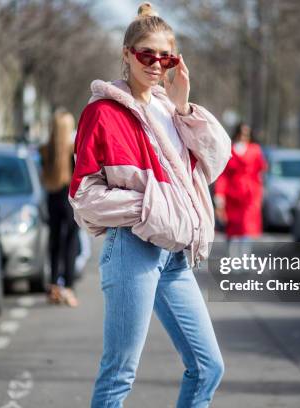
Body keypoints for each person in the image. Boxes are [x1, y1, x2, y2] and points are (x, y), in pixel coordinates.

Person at [68, 3, 231, 406]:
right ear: (126, 54)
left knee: (209, 366)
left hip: (174, 256)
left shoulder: (169, 109)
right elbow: (83, 197)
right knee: (120, 373)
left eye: (166, 57)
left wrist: (184, 106)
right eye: (147, 55)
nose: (156, 64)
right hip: (133, 249)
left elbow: (216, 159)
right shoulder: (102, 112)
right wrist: (149, 208)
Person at [39, 109, 79, 307]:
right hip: (70, 200)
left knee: (54, 242)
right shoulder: (73, 150)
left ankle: (54, 284)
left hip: (52, 198)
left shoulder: (45, 150)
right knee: (71, 242)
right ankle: (69, 286)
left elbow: (42, 177)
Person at [214, 123, 268, 240]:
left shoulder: (255, 150)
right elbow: (223, 176)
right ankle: (233, 256)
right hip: (232, 196)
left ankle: (244, 257)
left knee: (247, 228)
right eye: (241, 133)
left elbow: (260, 173)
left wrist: (260, 195)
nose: (243, 137)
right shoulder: (230, 151)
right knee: (232, 229)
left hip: (249, 196)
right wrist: (219, 197)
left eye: (246, 134)